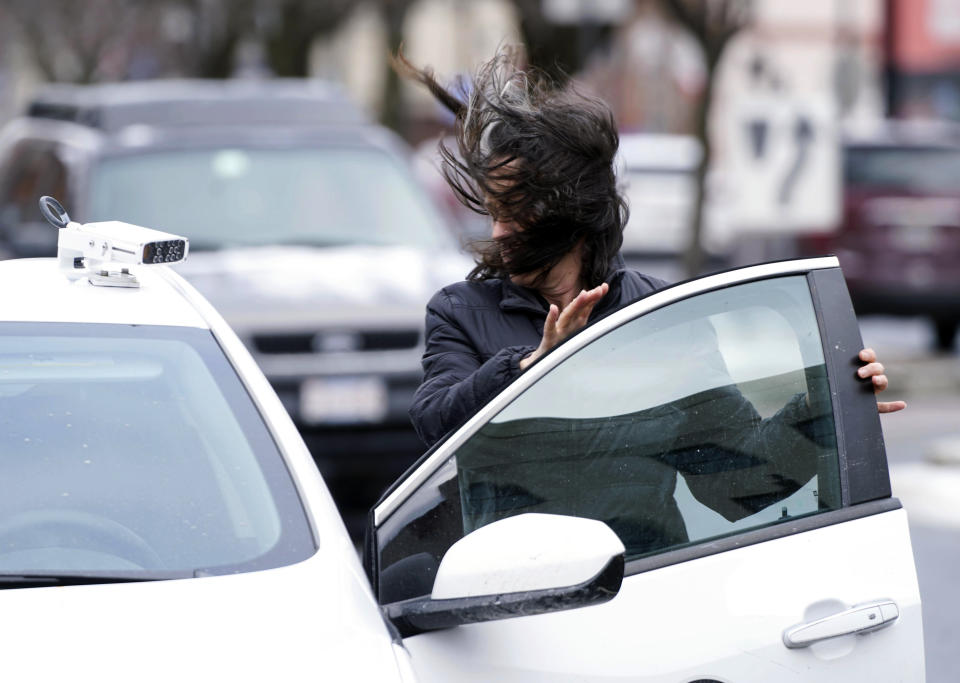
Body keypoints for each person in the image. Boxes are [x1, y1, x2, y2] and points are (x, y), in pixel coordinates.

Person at [398, 48, 905, 450]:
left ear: (571, 213)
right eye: (493, 211)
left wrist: (828, 416)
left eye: (517, 212)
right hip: (512, 573)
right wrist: (530, 368)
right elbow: (434, 425)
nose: (500, 231)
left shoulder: (659, 315)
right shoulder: (461, 311)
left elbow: (733, 480)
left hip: (646, 572)